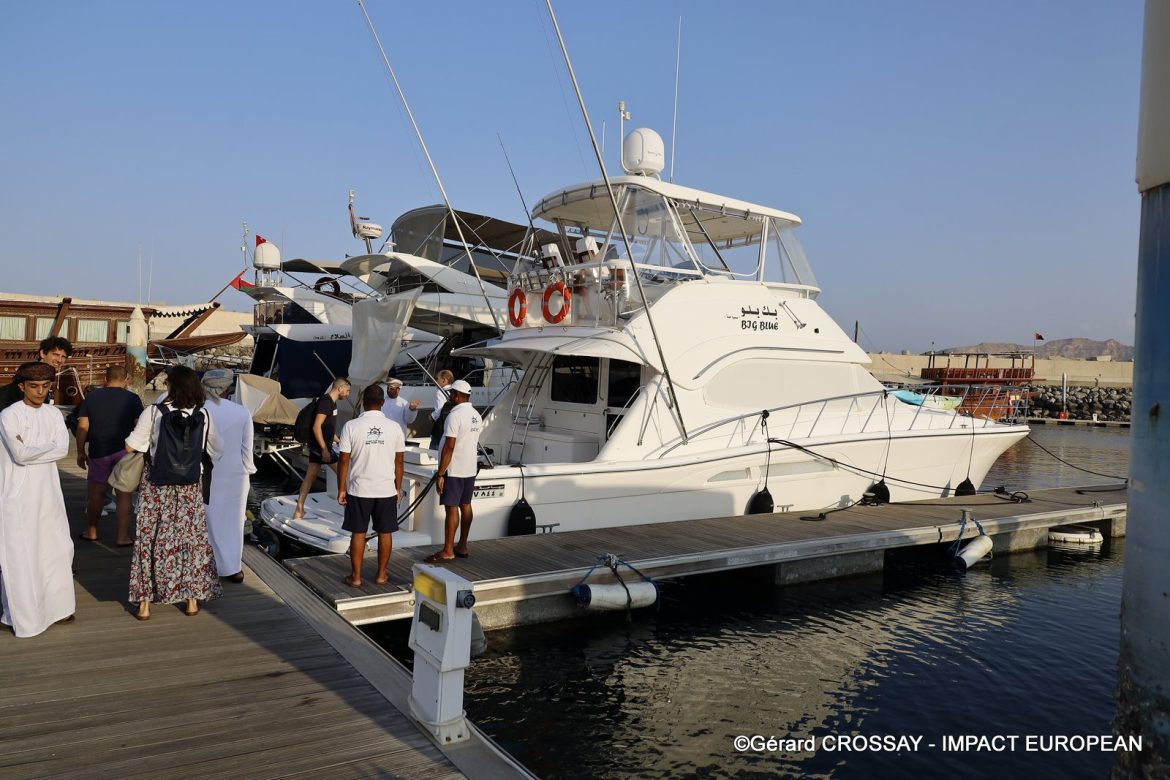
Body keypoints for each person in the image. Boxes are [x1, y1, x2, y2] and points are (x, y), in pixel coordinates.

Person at [125, 366, 222, 620]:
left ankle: (145, 604)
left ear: (170, 386)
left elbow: (131, 446)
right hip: (189, 486)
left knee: (149, 539)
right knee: (189, 539)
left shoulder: (154, 412)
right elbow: (217, 450)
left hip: (157, 485)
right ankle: (190, 600)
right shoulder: (205, 414)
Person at [0, 361, 76, 636]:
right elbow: (19, 456)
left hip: (48, 494)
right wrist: (45, 448)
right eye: (34, 386)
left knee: (56, 548)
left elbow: (62, 450)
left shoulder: (54, 415)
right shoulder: (9, 415)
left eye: (45, 386)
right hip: (16, 495)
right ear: (21, 386)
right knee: (20, 553)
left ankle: (59, 607)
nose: (40, 391)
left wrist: (33, 448)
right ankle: (22, 615)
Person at [337, 384, 405, 588]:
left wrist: (342, 488)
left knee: (358, 533)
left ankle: (356, 577)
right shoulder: (394, 428)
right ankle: (381, 575)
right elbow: (399, 461)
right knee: (386, 533)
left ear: (363, 403)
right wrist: (397, 487)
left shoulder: (351, 426)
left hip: (359, 489)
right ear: (382, 403)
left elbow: (343, 460)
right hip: (386, 489)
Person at [74, 364, 143, 546]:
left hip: (99, 451)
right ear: (126, 379)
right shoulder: (133, 399)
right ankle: (122, 537)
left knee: (96, 493)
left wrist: (80, 452)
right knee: (124, 494)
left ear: (105, 379)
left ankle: (92, 531)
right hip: (125, 452)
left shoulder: (92, 397)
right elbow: (139, 426)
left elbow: (82, 427)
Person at [201, 369, 256, 583]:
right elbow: (247, 450)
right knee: (234, 522)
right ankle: (232, 567)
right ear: (226, 388)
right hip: (236, 475)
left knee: (205, 520)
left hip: (205, 474)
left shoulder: (197, 410)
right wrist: (248, 472)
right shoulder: (241, 412)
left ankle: (206, 564)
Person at [424, 379, 481, 563]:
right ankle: (462, 545)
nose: (449, 396)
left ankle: (448, 550)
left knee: (451, 508)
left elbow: (449, 446)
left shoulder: (454, 416)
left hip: (454, 469)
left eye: (451, 393)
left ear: (457, 396)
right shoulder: (475, 415)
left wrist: (441, 473)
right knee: (466, 505)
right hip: (470, 468)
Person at [292, 377, 351, 520]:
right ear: (339, 388)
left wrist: (340, 441)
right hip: (322, 448)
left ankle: (299, 510)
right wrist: (324, 449)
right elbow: (316, 426)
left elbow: (327, 430)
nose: (348, 394)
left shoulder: (332, 403)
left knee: (311, 476)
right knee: (343, 474)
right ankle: (350, 511)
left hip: (321, 446)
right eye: (347, 390)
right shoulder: (325, 402)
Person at [0, 336, 72, 411]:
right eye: (56, 354)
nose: (59, 360)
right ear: (42, 353)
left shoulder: (47, 376)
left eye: (63, 357)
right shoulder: (28, 373)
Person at [428, 369, 455, 450]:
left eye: (436, 379)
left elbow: (439, 411)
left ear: (444, 380)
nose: (435, 381)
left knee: (434, 451)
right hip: (451, 425)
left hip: (440, 427)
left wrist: (431, 416)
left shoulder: (440, 392)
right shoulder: (454, 391)